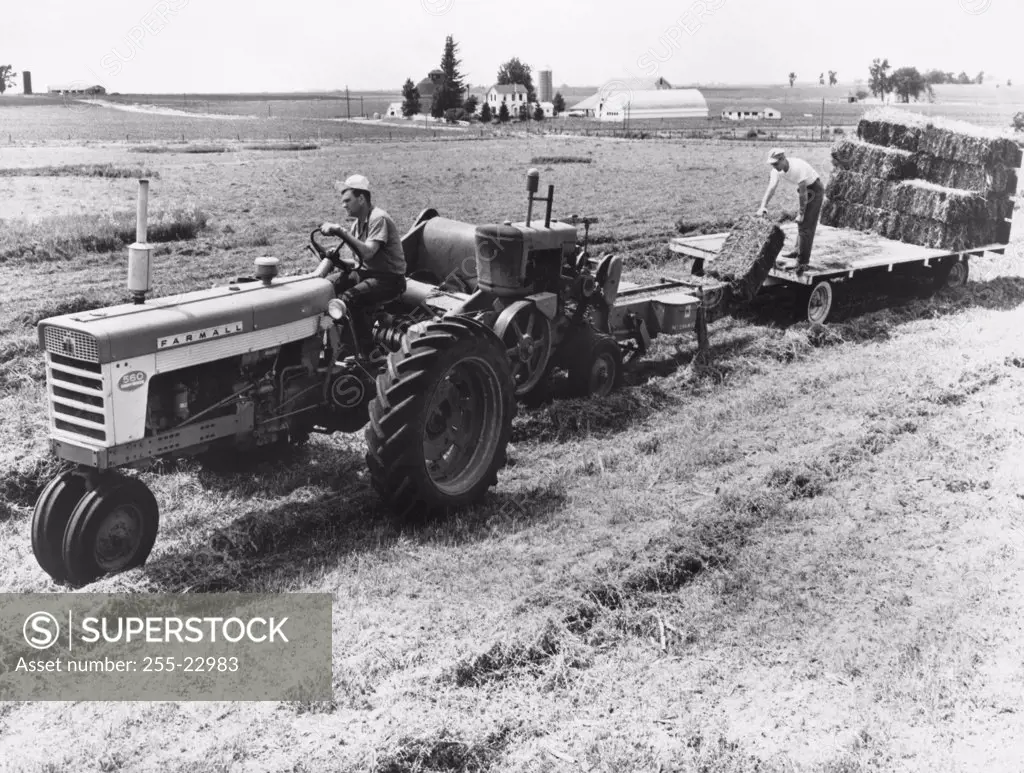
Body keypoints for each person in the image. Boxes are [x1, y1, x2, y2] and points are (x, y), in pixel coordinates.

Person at [319, 174, 407, 350]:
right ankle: (326, 340)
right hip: (367, 273)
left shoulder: (378, 218)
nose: (343, 205)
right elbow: (357, 262)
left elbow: (367, 253)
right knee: (325, 288)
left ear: (361, 199)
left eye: (347, 200)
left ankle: (364, 350)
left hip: (389, 279)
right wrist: (336, 260)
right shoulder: (357, 224)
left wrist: (340, 231)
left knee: (348, 299)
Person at [758, 148, 824, 269]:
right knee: (801, 224)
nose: (774, 166)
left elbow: (803, 192)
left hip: (814, 189)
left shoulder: (797, 167)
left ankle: (802, 262)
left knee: (806, 225)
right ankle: (796, 251)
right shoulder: (776, 171)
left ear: (783, 159)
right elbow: (771, 188)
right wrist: (763, 206)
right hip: (804, 191)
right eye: (772, 164)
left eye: (776, 163)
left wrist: (801, 213)